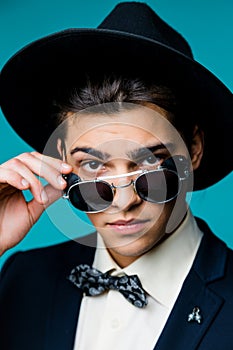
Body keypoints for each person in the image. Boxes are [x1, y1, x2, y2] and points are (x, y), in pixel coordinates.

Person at [0, 2, 232, 349]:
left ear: (193, 149)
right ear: (63, 160)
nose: (124, 202)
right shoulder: (21, 278)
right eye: (94, 165)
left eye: (150, 163)